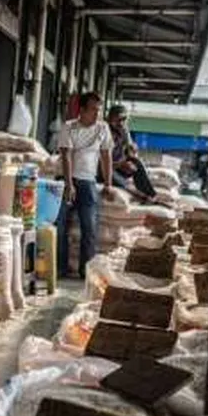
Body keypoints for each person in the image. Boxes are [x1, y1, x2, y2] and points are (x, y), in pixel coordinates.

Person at [57, 91, 115, 279]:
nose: (96, 114)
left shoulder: (103, 128)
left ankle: (85, 271)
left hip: (89, 183)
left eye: (98, 110)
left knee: (89, 228)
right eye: (92, 110)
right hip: (66, 180)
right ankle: (60, 268)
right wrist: (68, 184)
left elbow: (106, 156)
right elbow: (66, 155)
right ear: (81, 110)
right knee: (60, 227)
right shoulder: (69, 127)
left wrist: (108, 184)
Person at [106, 104, 159, 201]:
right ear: (110, 118)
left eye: (124, 119)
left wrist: (132, 150)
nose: (121, 123)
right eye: (118, 119)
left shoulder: (123, 130)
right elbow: (102, 162)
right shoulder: (104, 132)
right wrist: (121, 165)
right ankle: (141, 196)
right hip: (105, 169)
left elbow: (130, 150)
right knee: (117, 179)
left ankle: (151, 194)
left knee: (136, 162)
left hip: (119, 165)